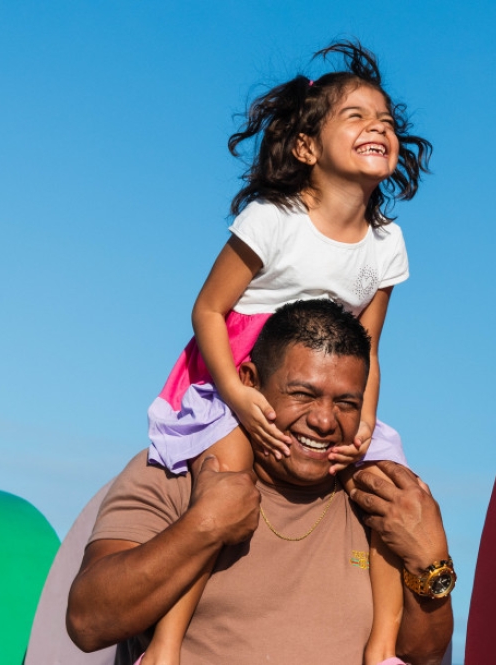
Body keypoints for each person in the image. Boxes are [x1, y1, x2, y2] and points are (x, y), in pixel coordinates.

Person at [142, 40, 431, 665]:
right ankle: (164, 649)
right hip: (236, 371)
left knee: (388, 483)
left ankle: (382, 650)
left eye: (384, 120)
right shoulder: (272, 218)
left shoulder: (387, 243)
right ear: (306, 148)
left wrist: (366, 422)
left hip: (328, 381)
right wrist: (240, 398)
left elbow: (370, 345)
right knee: (224, 487)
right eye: (355, 116)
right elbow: (207, 311)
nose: (377, 126)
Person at [67, 299, 455, 664]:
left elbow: (422, 656)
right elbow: (88, 623)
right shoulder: (173, 473)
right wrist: (203, 526)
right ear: (249, 382)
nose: (324, 420)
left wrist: (432, 562)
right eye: (303, 394)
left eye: (346, 403)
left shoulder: (384, 501)